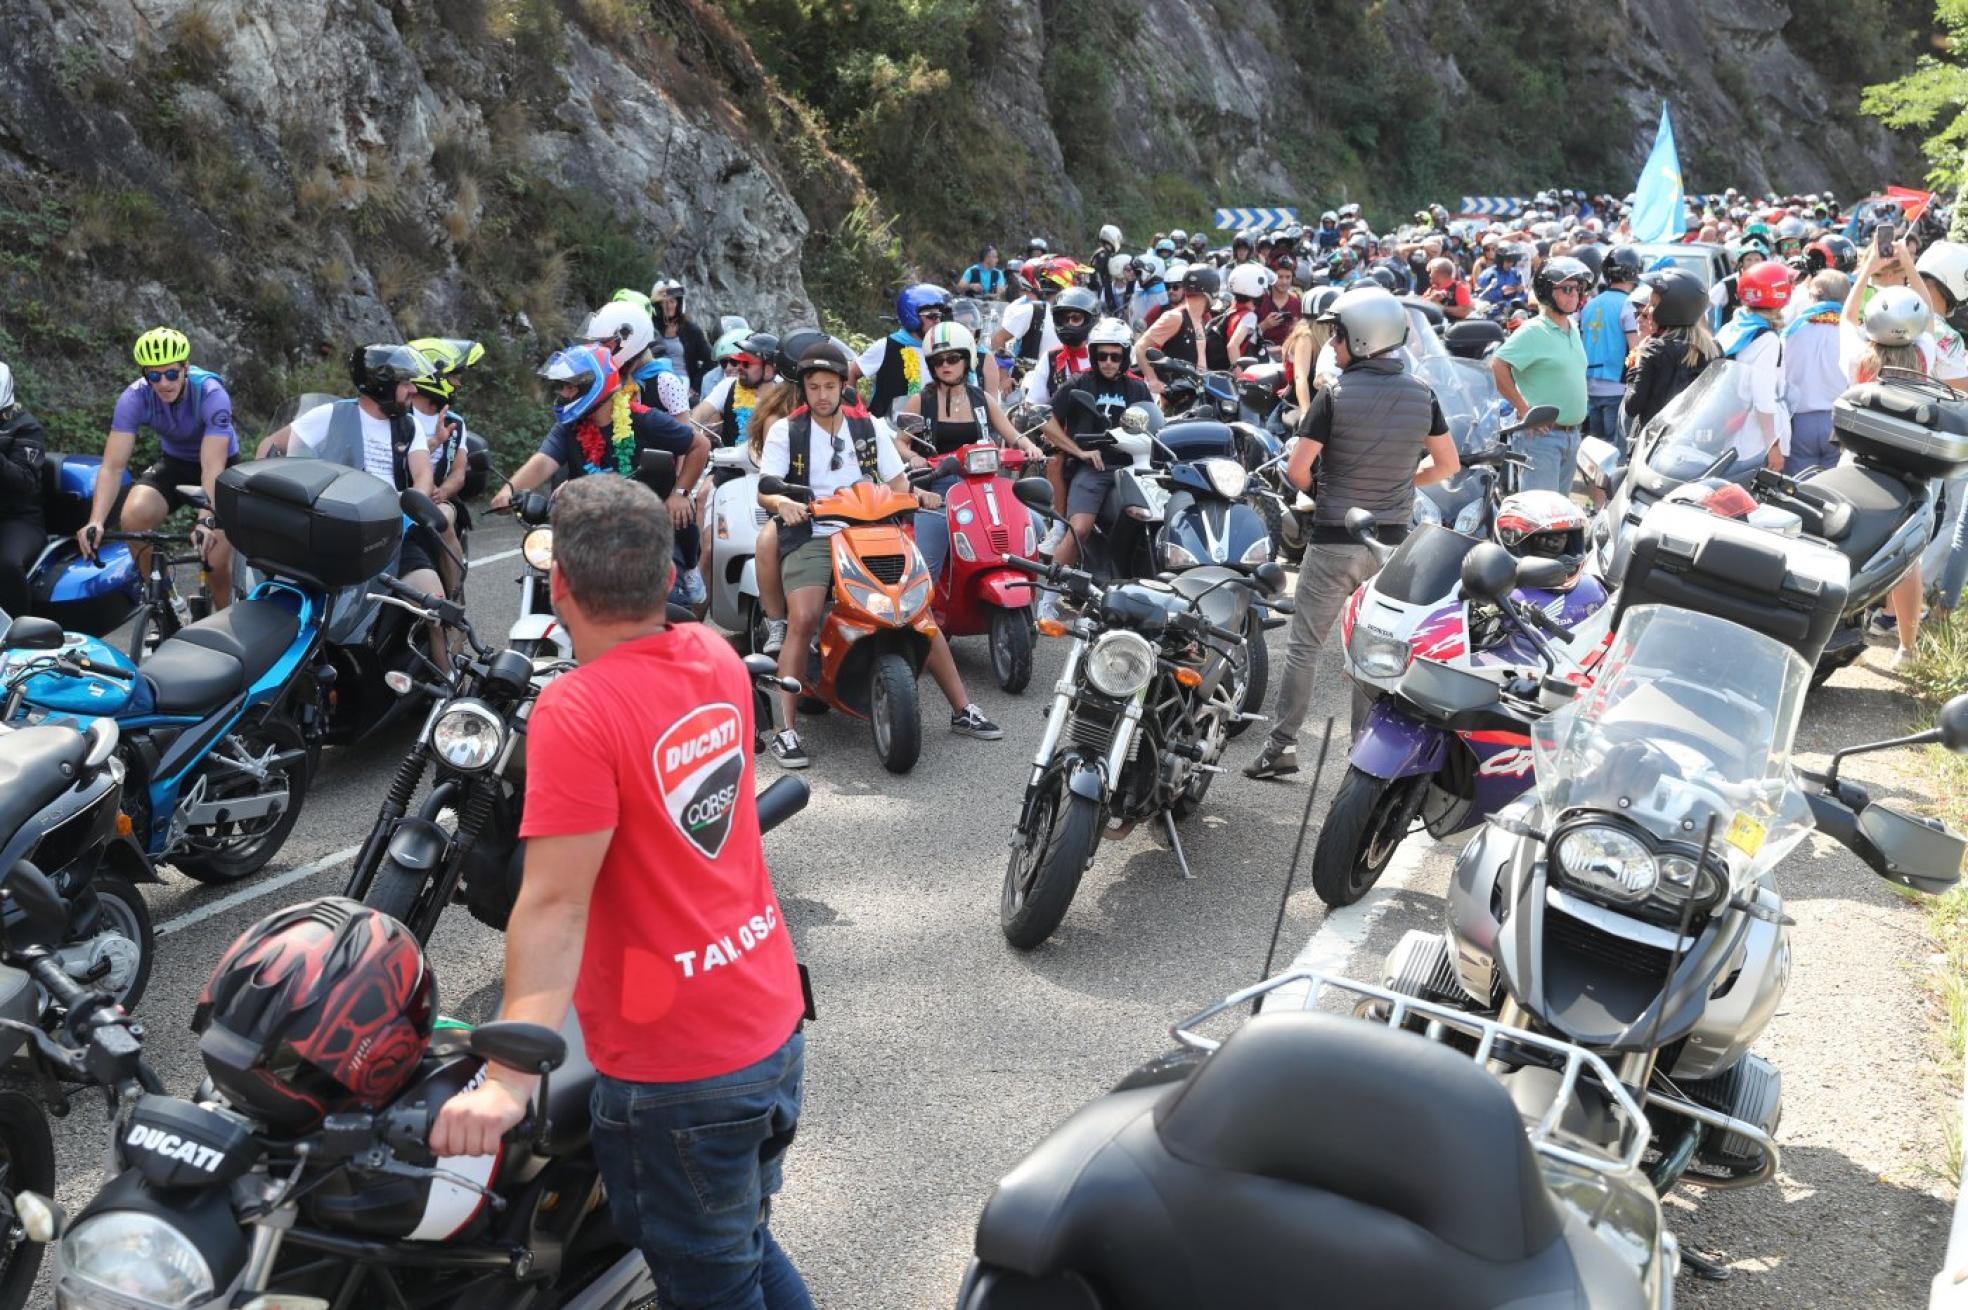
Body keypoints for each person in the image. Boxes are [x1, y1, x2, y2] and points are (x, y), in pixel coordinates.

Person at [429, 475, 815, 1310]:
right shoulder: (712, 653)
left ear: (557, 584)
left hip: (679, 1068)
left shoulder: (579, 709)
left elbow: (554, 902)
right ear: (668, 578)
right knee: (740, 1246)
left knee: (709, 1285)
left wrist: (506, 1074)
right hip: (769, 1020)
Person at [756, 343, 1001, 768]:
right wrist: (783, 504)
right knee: (804, 617)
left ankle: (963, 709)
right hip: (812, 533)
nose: (822, 395)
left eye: (830, 386)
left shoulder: (867, 426)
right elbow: (767, 487)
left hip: (873, 530)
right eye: (813, 387)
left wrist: (919, 495)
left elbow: (898, 482)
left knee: (919, 613)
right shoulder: (787, 431)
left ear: (843, 385)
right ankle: (786, 731)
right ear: (803, 390)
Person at [1247, 288, 1459, 779]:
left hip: (1334, 540)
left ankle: (1281, 746)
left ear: (1361, 339)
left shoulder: (1335, 394)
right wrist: (1405, 480)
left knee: (1305, 646)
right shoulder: (1422, 394)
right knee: (1372, 652)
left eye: (1338, 335)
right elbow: (1447, 463)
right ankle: (1364, 757)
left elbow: (1298, 473)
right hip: (1391, 546)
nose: (1334, 345)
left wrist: (1328, 493)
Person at [493, 343, 711, 603]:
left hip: (649, 526)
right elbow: (542, 462)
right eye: (562, 386)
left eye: (570, 386)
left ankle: (685, 575)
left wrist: (680, 493)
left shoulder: (643, 418)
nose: (563, 393)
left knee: (667, 601)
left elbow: (700, 445)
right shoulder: (568, 428)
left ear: (593, 385)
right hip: (590, 528)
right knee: (548, 581)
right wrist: (508, 491)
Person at [259, 344, 447, 634]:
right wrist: (268, 486)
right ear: (381, 384)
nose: (413, 389)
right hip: (336, 530)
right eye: (406, 382)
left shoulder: (410, 426)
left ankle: (448, 674)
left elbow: (422, 473)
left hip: (391, 532)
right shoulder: (330, 414)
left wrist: (412, 501)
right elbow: (270, 446)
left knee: (435, 605)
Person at [83, 327, 239, 608]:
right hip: (176, 464)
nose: (164, 383)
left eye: (171, 373)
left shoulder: (211, 394)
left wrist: (205, 519)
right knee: (133, 517)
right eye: (154, 375)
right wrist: (96, 520)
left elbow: (212, 466)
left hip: (220, 467)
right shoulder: (134, 398)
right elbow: (112, 467)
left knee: (214, 560)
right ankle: (165, 601)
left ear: (186, 368)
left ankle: (225, 614)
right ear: (145, 375)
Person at [897, 322, 1044, 582]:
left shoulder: (982, 399)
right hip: (937, 489)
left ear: (967, 360)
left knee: (1035, 525)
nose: (946, 365)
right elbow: (900, 443)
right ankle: (916, 618)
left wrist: (1030, 447)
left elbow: (1012, 434)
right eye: (938, 360)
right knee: (927, 567)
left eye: (953, 358)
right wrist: (914, 457)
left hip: (984, 487)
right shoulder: (921, 401)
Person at [1489, 256, 1592, 494]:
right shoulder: (1534, 330)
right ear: (1547, 291)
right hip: (1543, 439)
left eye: (1578, 288)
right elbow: (1497, 366)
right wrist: (1525, 410)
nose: (1574, 294)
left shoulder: (1572, 327)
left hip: (1571, 435)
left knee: (1561, 518)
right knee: (1540, 517)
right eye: (1566, 289)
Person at [404, 337, 485, 597]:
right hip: (395, 496)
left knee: (441, 519)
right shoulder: (398, 415)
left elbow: (459, 472)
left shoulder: (456, 422)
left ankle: (454, 600)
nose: (459, 383)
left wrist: (444, 492)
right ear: (431, 374)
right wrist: (435, 441)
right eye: (453, 376)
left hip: (437, 499)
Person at [1716, 260, 1793, 471]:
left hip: (1731, 428)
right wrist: (1773, 446)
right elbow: (1763, 399)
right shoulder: (1767, 339)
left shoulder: (1734, 326)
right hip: (1754, 440)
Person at [1622, 269, 1718, 436]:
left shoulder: (1653, 350)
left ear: (1670, 309)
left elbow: (1632, 407)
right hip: (1692, 441)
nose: (1647, 310)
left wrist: (1636, 365)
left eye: (1652, 305)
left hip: (1654, 445)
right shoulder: (1711, 350)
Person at [1781, 269, 1850, 476]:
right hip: (1840, 424)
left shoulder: (1792, 331)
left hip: (1799, 423)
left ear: (1813, 297)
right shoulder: (1853, 332)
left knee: (1796, 494)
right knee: (1832, 495)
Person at [854, 284, 951, 419]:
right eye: (932, 316)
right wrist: (857, 411)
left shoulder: (941, 350)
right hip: (886, 433)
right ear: (912, 315)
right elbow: (850, 373)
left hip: (926, 433)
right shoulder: (887, 346)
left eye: (939, 316)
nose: (938, 321)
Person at [1578, 247, 1641, 445]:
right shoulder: (1629, 304)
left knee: (1595, 450)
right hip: (1618, 388)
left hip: (1589, 387)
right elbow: (1635, 350)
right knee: (1615, 453)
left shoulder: (1589, 305)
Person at [0, 364, 46, 619]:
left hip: (19, 519)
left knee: (5, 565)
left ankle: (19, 637)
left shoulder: (26, 428)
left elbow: (25, 483)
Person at [599, 294, 689, 415]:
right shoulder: (608, 377)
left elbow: (685, 432)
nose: (604, 350)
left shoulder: (666, 382)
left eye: (609, 344)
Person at [1136, 265, 1217, 392]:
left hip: (1195, 394)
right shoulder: (1176, 317)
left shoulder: (1200, 319)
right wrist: (1153, 380)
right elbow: (1140, 347)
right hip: (1173, 400)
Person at [1028, 286, 1101, 407]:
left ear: (1090, 320)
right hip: (1057, 424)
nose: (1069, 324)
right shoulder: (1050, 358)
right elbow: (1034, 405)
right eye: (1064, 319)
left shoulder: (1103, 356)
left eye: (1076, 318)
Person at [651, 277, 715, 398]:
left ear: (679, 303)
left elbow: (711, 359)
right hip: (656, 377)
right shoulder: (651, 329)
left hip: (681, 380)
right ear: (658, 305)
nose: (668, 306)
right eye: (664, 302)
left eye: (672, 301)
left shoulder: (691, 330)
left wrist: (696, 385)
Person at [1256, 260, 1301, 349]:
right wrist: (1264, 325)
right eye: (1280, 277)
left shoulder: (1296, 303)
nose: (1284, 281)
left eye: (1288, 277)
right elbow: (1247, 335)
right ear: (1272, 278)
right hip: (1263, 354)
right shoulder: (1259, 301)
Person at [1421, 256, 1472, 321]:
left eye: (1431, 271)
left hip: (1452, 327)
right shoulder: (1433, 288)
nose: (1429, 275)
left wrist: (1442, 308)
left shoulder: (1459, 288)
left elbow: (1465, 311)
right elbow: (1421, 305)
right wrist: (1431, 299)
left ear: (1437, 272)